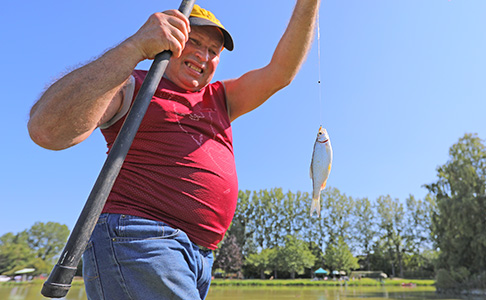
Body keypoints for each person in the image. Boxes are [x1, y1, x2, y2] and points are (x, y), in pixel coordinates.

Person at [28, 1, 320, 299]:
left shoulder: (221, 97)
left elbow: (282, 72)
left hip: (200, 256)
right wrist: (134, 47)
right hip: (141, 238)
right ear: (168, 38)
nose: (202, 55)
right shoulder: (134, 86)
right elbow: (47, 130)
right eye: (193, 40)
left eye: (213, 51)